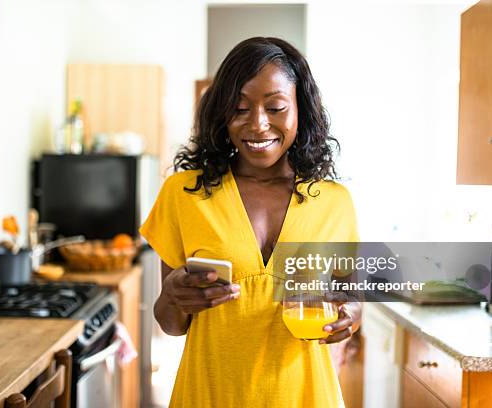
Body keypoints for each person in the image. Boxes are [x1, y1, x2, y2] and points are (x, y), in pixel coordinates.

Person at [139, 37, 360, 408]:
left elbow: (350, 298)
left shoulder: (335, 202)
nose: (258, 125)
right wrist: (174, 297)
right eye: (240, 109)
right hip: (210, 396)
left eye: (275, 107)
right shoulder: (184, 194)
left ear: (300, 111)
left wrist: (350, 316)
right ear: (222, 115)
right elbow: (171, 324)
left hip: (307, 397)